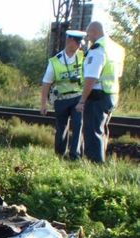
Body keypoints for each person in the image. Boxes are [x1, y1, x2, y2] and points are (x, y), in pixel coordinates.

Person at [76, 21, 126, 163]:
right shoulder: (117, 49)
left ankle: (94, 164)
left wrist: (82, 100)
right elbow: (119, 74)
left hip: (98, 95)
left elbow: (92, 77)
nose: (88, 37)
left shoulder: (98, 49)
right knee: (102, 130)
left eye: (89, 33)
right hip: (112, 93)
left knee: (92, 132)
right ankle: (101, 160)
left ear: (95, 32)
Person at [40, 30, 86, 159]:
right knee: (61, 127)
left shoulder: (84, 57)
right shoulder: (55, 61)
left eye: (80, 43)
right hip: (61, 99)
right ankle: (59, 154)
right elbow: (46, 83)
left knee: (78, 125)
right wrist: (43, 104)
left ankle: (75, 156)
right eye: (77, 42)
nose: (80, 46)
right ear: (69, 41)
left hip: (78, 97)